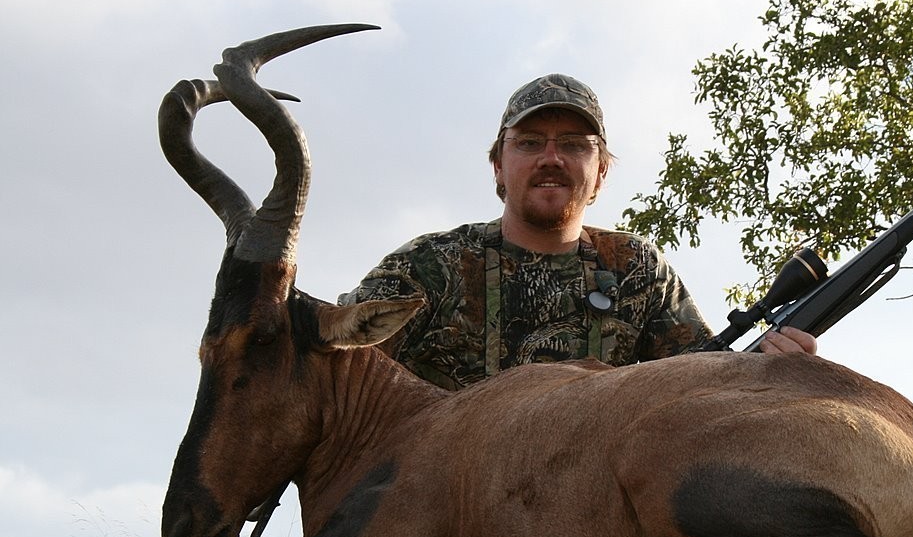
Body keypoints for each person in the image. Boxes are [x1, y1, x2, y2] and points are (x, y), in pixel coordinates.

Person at [339, 73, 815, 390]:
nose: (551, 158)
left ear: (601, 173)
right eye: (529, 143)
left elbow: (705, 388)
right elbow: (330, 367)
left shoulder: (636, 270)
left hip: (592, 520)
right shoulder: (427, 266)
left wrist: (776, 372)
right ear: (498, 167)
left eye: (573, 144)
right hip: (444, 517)